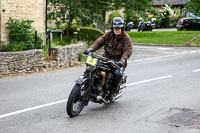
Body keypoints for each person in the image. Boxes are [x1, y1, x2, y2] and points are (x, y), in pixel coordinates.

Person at [84, 17, 133, 102]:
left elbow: (127, 51)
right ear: (112, 28)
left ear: (122, 28)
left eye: (119, 28)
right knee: (93, 67)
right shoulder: (109, 34)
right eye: (115, 28)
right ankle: (89, 85)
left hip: (118, 61)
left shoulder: (126, 38)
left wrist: (122, 60)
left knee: (118, 73)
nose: (117, 30)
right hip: (106, 58)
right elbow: (99, 41)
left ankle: (112, 92)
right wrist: (91, 49)